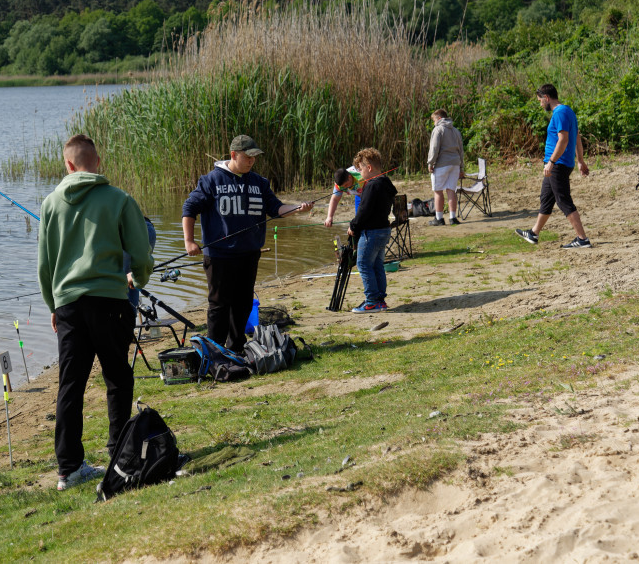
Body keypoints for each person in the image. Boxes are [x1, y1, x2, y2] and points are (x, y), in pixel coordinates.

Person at [38, 134, 154, 491]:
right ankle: (121, 457)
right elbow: (141, 254)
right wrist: (136, 280)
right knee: (117, 378)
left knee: (70, 385)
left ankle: (68, 469)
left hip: (69, 304)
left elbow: (45, 266)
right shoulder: (119, 199)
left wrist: (53, 305)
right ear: (97, 162)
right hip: (110, 302)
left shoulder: (50, 203)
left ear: (68, 165)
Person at [182, 135, 314, 352]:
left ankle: (236, 349)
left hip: (249, 254)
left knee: (243, 303)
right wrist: (189, 241)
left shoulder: (259, 183)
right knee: (219, 305)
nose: (252, 161)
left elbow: (276, 208)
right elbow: (189, 209)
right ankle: (214, 351)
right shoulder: (211, 181)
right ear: (233, 155)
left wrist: (298, 208)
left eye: (255, 156)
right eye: (248, 156)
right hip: (219, 256)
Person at [515, 84, 592, 248]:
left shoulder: (560, 113)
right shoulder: (567, 111)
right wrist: (580, 161)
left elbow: (563, 140)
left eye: (540, 101)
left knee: (563, 200)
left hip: (558, 164)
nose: (540, 104)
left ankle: (582, 238)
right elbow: (577, 137)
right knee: (546, 199)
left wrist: (551, 162)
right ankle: (534, 233)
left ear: (546, 98)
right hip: (559, 163)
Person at [346, 147, 398, 313]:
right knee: (377, 265)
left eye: (360, 169)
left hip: (372, 232)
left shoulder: (372, 185)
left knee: (363, 264)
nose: (359, 173)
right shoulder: (386, 183)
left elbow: (364, 210)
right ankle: (380, 299)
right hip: (384, 230)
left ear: (369, 167)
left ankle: (372, 301)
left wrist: (353, 226)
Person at [426, 109, 466, 226]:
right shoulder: (456, 131)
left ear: (438, 118)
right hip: (455, 164)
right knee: (451, 190)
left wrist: (430, 163)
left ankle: (439, 218)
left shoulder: (438, 129)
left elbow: (434, 149)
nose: (434, 123)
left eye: (434, 120)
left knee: (438, 191)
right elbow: (461, 150)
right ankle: (453, 218)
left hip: (442, 164)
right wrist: (461, 167)